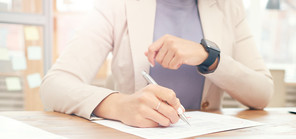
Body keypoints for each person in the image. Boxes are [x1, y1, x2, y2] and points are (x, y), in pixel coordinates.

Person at [40, 0, 273, 128]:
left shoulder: (229, 7)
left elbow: (262, 93)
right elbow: (54, 86)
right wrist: (119, 105)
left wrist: (208, 57)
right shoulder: (116, 5)